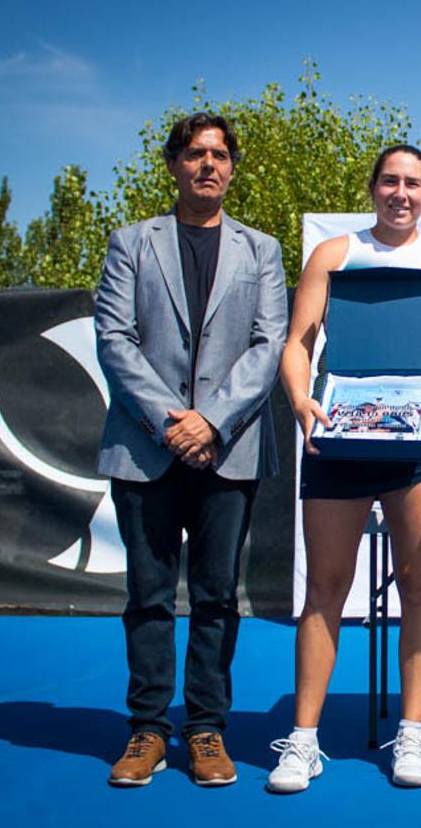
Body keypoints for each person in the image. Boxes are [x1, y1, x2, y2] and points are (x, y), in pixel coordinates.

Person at [265, 144, 421, 793]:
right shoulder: (334, 255)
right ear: (372, 187)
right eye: (390, 180)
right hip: (338, 440)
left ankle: (411, 735)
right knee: (325, 588)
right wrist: (302, 403)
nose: (401, 193)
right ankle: (302, 741)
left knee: (419, 586)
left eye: (413, 183)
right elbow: (298, 344)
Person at [96, 112, 288, 787]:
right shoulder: (130, 242)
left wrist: (210, 424)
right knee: (148, 596)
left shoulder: (261, 250)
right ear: (174, 164)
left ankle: (205, 729)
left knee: (215, 597)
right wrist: (170, 424)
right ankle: (146, 729)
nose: (208, 164)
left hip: (227, 451)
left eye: (219, 155)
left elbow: (269, 346)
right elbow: (114, 340)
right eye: (195, 154)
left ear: (232, 168)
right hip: (146, 451)